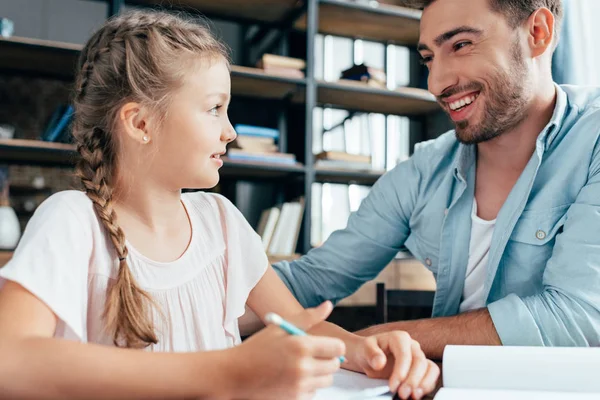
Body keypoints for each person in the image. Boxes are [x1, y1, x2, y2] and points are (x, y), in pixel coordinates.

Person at [0, 9, 439, 400]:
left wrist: (363, 351)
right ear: (140, 123)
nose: (230, 132)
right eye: (214, 109)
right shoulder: (73, 222)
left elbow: (298, 324)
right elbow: (10, 361)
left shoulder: (221, 222)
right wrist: (227, 372)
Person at [272, 0, 600, 360]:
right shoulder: (424, 170)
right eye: (428, 58)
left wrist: (368, 344)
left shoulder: (593, 138)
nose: (436, 82)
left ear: (537, 33)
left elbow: (576, 317)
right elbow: (309, 282)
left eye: (460, 45)